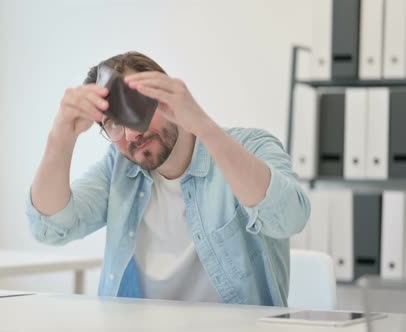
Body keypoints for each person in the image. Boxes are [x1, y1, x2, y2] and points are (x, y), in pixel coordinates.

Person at [26, 51, 310, 306]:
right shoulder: (119, 168)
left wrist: (202, 124)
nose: (131, 135)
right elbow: (50, 228)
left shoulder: (252, 146)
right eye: (113, 123)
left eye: (137, 112)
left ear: (169, 98)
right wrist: (61, 135)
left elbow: (290, 217)